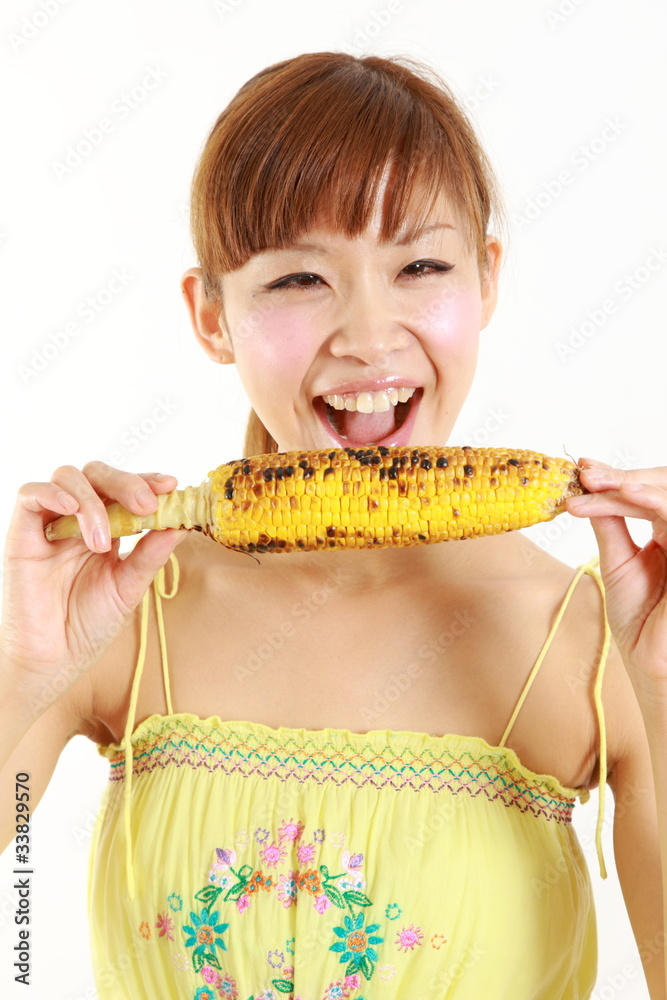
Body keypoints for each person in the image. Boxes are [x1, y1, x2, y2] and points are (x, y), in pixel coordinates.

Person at [1, 51, 665, 1000]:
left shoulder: (596, 645)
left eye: (421, 265)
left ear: (485, 282)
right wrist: (23, 669)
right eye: (299, 279)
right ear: (212, 316)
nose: (367, 334)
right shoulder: (127, 613)